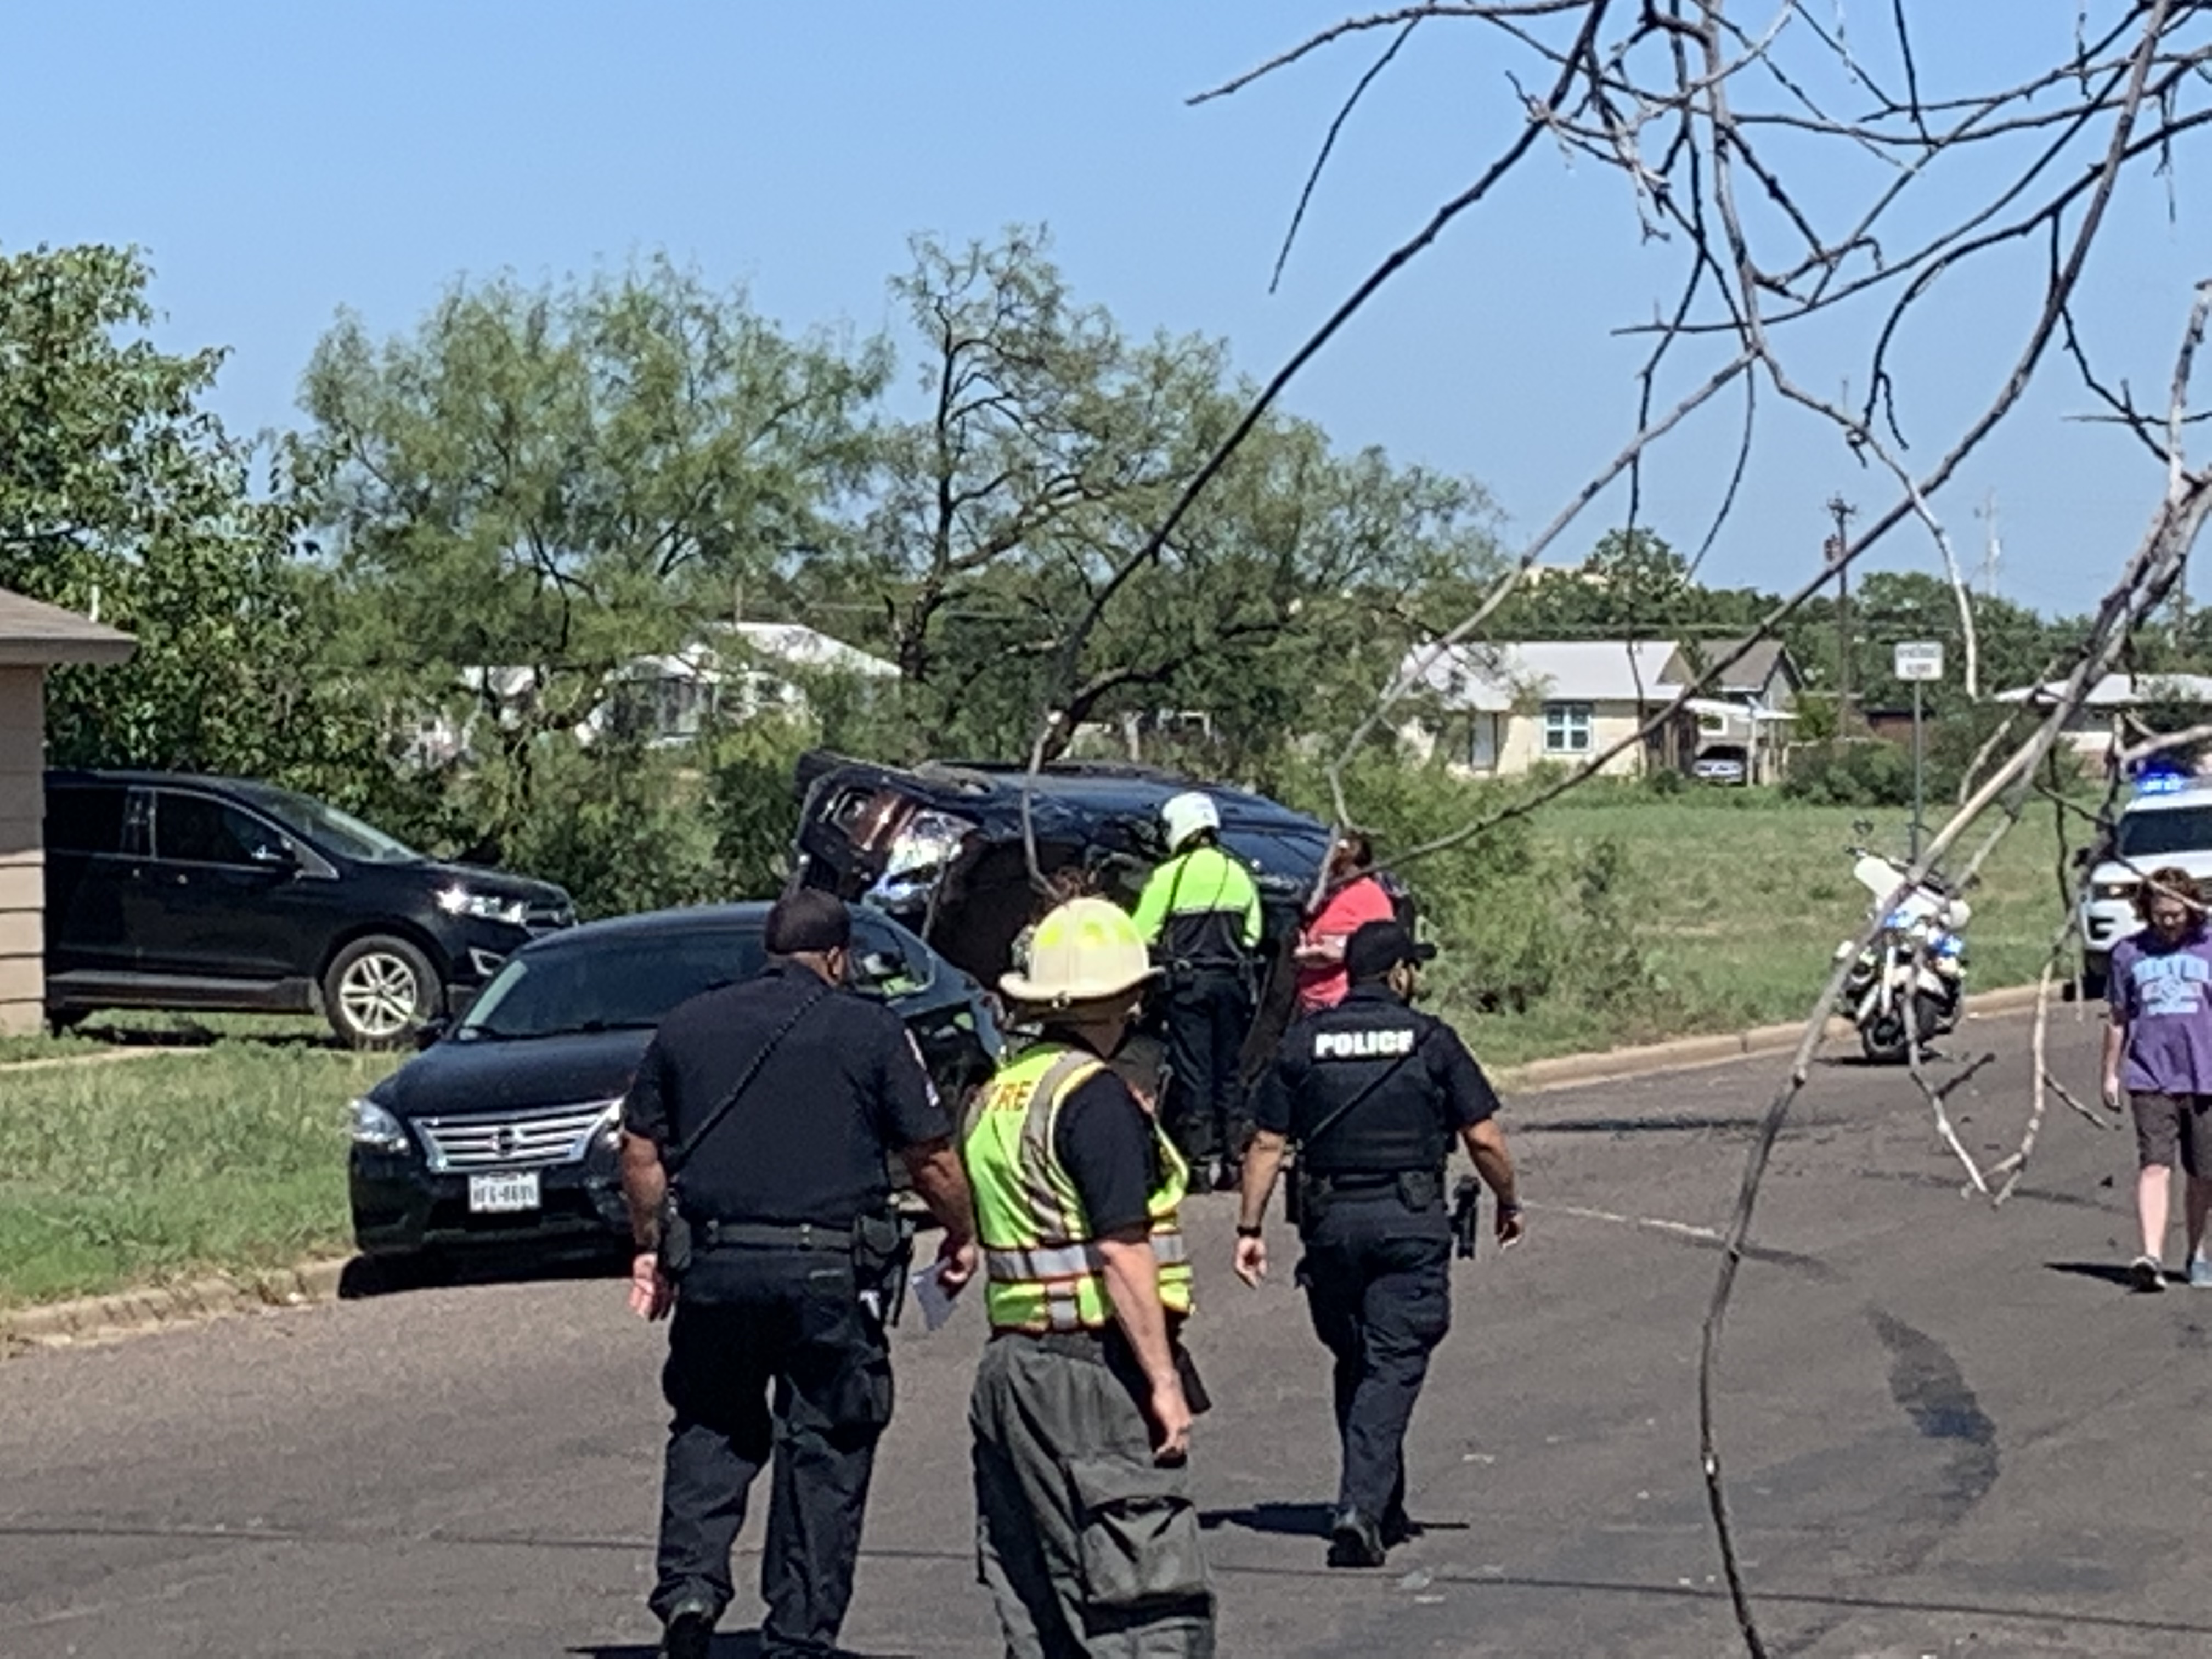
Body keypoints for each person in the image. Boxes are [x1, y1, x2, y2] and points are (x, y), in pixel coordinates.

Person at [619, 890, 978, 1659]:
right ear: (839, 958)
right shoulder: (871, 1029)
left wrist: (653, 1246)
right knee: (826, 1444)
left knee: (710, 1427)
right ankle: (798, 1633)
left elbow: (640, 1152)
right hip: (828, 1277)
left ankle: (690, 1592)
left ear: (770, 951)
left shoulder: (690, 1024)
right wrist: (962, 1230)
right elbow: (931, 1156)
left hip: (717, 1268)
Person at [965, 897, 1215, 1658]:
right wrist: (1164, 1382)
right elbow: (1122, 1251)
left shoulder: (998, 1095)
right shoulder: (1093, 1097)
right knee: (1138, 1600)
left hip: (1010, 1368)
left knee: (1040, 1603)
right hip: (1087, 1370)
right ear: (1125, 997)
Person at [1234, 919, 1523, 1570]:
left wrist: (1249, 1230)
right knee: (1391, 1362)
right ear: (1398, 975)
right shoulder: (1431, 1041)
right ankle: (1360, 1510)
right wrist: (1508, 1199)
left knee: (1359, 1359)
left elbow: (1266, 1145)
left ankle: (1381, 1501)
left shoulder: (1305, 1042)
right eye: (1412, 968)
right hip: (1408, 1224)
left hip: (1331, 1228)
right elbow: (1482, 1137)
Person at [1129, 791, 1263, 1189]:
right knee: (1229, 1070)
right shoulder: (1237, 872)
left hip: (1188, 987)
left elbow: (1141, 932)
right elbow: (1253, 934)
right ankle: (1235, 1159)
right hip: (1233, 985)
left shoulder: (1170, 876)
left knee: (1194, 1071)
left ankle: (1200, 1163)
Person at [2101, 866, 2212, 1293]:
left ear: (2190, 909)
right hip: (2150, 1075)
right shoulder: (2128, 953)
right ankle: (2151, 1255)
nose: (2168, 921)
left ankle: (2197, 1252)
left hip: (2204, 1077)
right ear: (2146, 910)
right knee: (2155, 1164)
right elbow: (2117, 1019)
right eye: (2160, 913)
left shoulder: (2208, 946)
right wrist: (2110, 1073)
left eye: (2176, 913)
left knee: (2204, 1173)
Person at [1291, 831, 1398, 1014]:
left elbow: (1381, 945)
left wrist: (1331, 952)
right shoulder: (1335, 895)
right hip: (1313, 1001)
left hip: (1340, 1001)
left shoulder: (1369, 896)